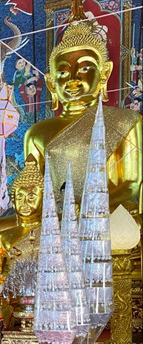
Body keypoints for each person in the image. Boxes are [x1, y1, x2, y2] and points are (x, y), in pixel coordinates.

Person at [22, 0, 141, 212]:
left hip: (103, 214)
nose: (73, 79)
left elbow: (131, 185)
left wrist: (85, 207)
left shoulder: (126, 121)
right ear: (51, 83)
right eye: (63, 72)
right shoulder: (36, 133)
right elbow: (32, 190)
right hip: (54, 218)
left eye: (85, 68)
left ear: (104, 73)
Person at [0, 159, 44, 275]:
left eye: (31, 197)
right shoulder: (1, 238)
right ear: (13, 202)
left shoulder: (55, 233)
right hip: (14, 285)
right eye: (19, 198)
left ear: (45, 199)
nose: (25, 203)